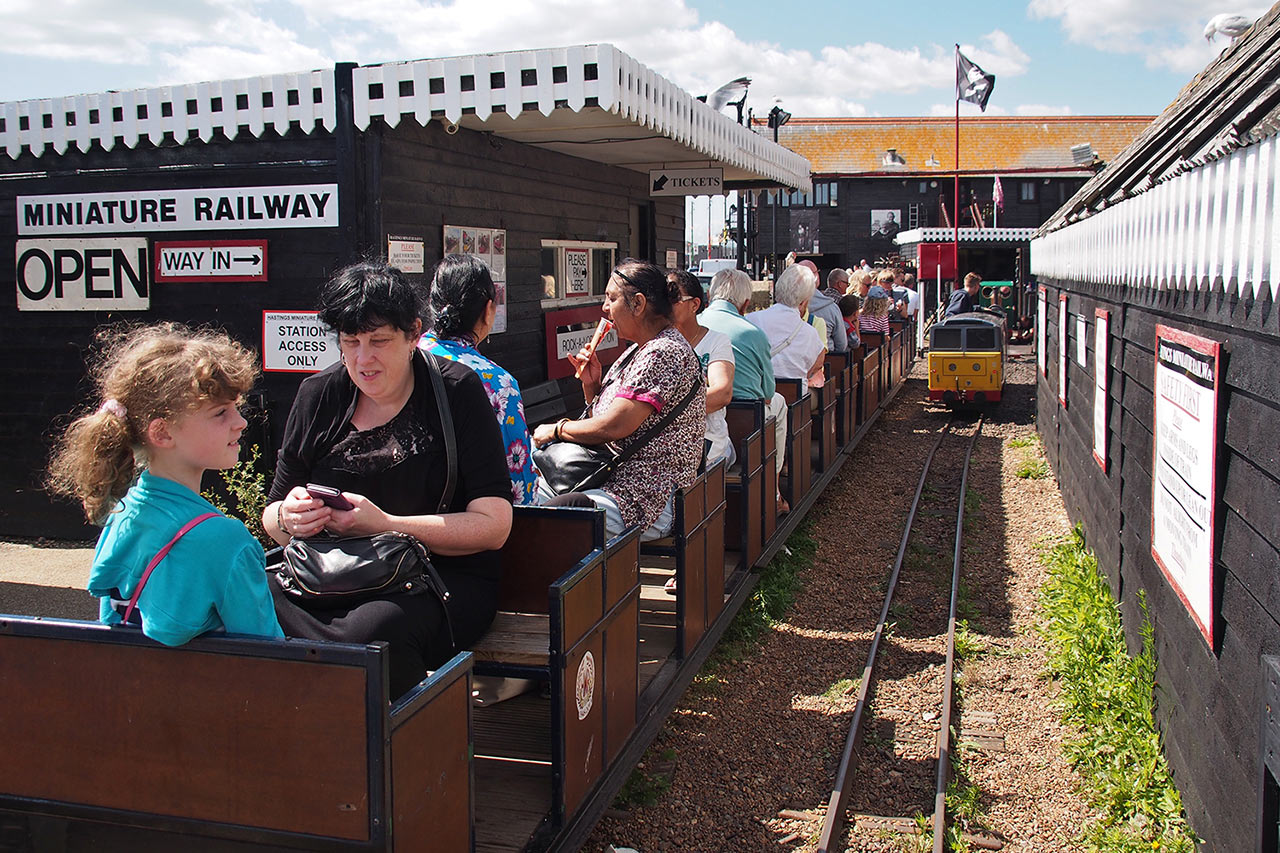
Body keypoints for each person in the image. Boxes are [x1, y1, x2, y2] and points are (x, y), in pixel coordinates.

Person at [263, 260, 513, 699]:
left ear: (414, 334)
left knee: (375, 631)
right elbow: (272, 514)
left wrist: (385, 524)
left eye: (379, 341)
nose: (363, 359)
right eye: (350, 341)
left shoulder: (457, 391)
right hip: (328, 573)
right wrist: (290, 517)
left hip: (438, 577)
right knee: (249, 599)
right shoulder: (318, 395)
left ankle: (389, 752)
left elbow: (494, 525)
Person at [47, 323, 282, 646]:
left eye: (236, 408)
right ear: (162, 433)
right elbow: (272, 661)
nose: (240, 422)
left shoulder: (122, 515)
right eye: (220, 413)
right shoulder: (226, 540)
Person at [531, 260, 706, 541]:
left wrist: (556, 429)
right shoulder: (638, 350)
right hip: (614, 478)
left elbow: (616, 426)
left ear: (637, 304)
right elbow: (608, 418)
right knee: (523, 486)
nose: (604, 307)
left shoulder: (663, 352)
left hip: (646, 495)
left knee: (549, 516)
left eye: (611, 298)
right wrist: (592, 385)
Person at [420, 254, 536, 506]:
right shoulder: (497, 383)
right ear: (488, 310)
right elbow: (518, 484)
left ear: (432, 304)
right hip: (470, 522)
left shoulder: (405, 360)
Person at [699, 267, 791, 511]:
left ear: (710, 296)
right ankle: (774, 490)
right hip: (746, 420)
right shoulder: (752, 332)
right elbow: (768, 392)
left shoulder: (694, 324)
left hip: (704, 417)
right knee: (779, 404)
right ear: (745, 304)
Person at [669, 270, 736, 469]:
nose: (665, 305)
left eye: (674, 297)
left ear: (695, 304)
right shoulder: (657, 344)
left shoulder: (716, 341)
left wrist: (664, 409)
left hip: (708, 444)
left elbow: (722, 393)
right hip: (666, 447)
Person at [748, 263, 826, 388]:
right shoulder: (810, 334)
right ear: (803, 302)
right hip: (795, 398)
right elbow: (816, 364)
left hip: (757, 394)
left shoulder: (751, 320)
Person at [808, 268, 848, 353]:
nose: (848, 286)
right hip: (828, 357)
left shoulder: (789, 307)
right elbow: (842, 345)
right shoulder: (835, 306)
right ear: (840, 284)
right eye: (847, 284)